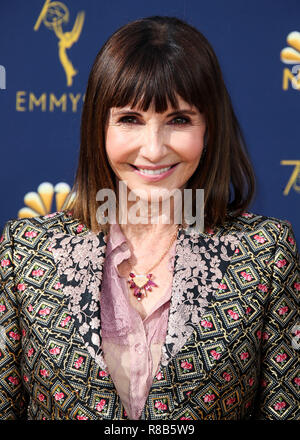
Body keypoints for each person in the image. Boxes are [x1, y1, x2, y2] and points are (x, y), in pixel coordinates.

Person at [0, 16, 299, 421]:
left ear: (209, 128)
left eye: (178, 120)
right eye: (130, 120)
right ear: (98, 128)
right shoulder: (27, 251)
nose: (154, 150)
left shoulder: (265, 253)